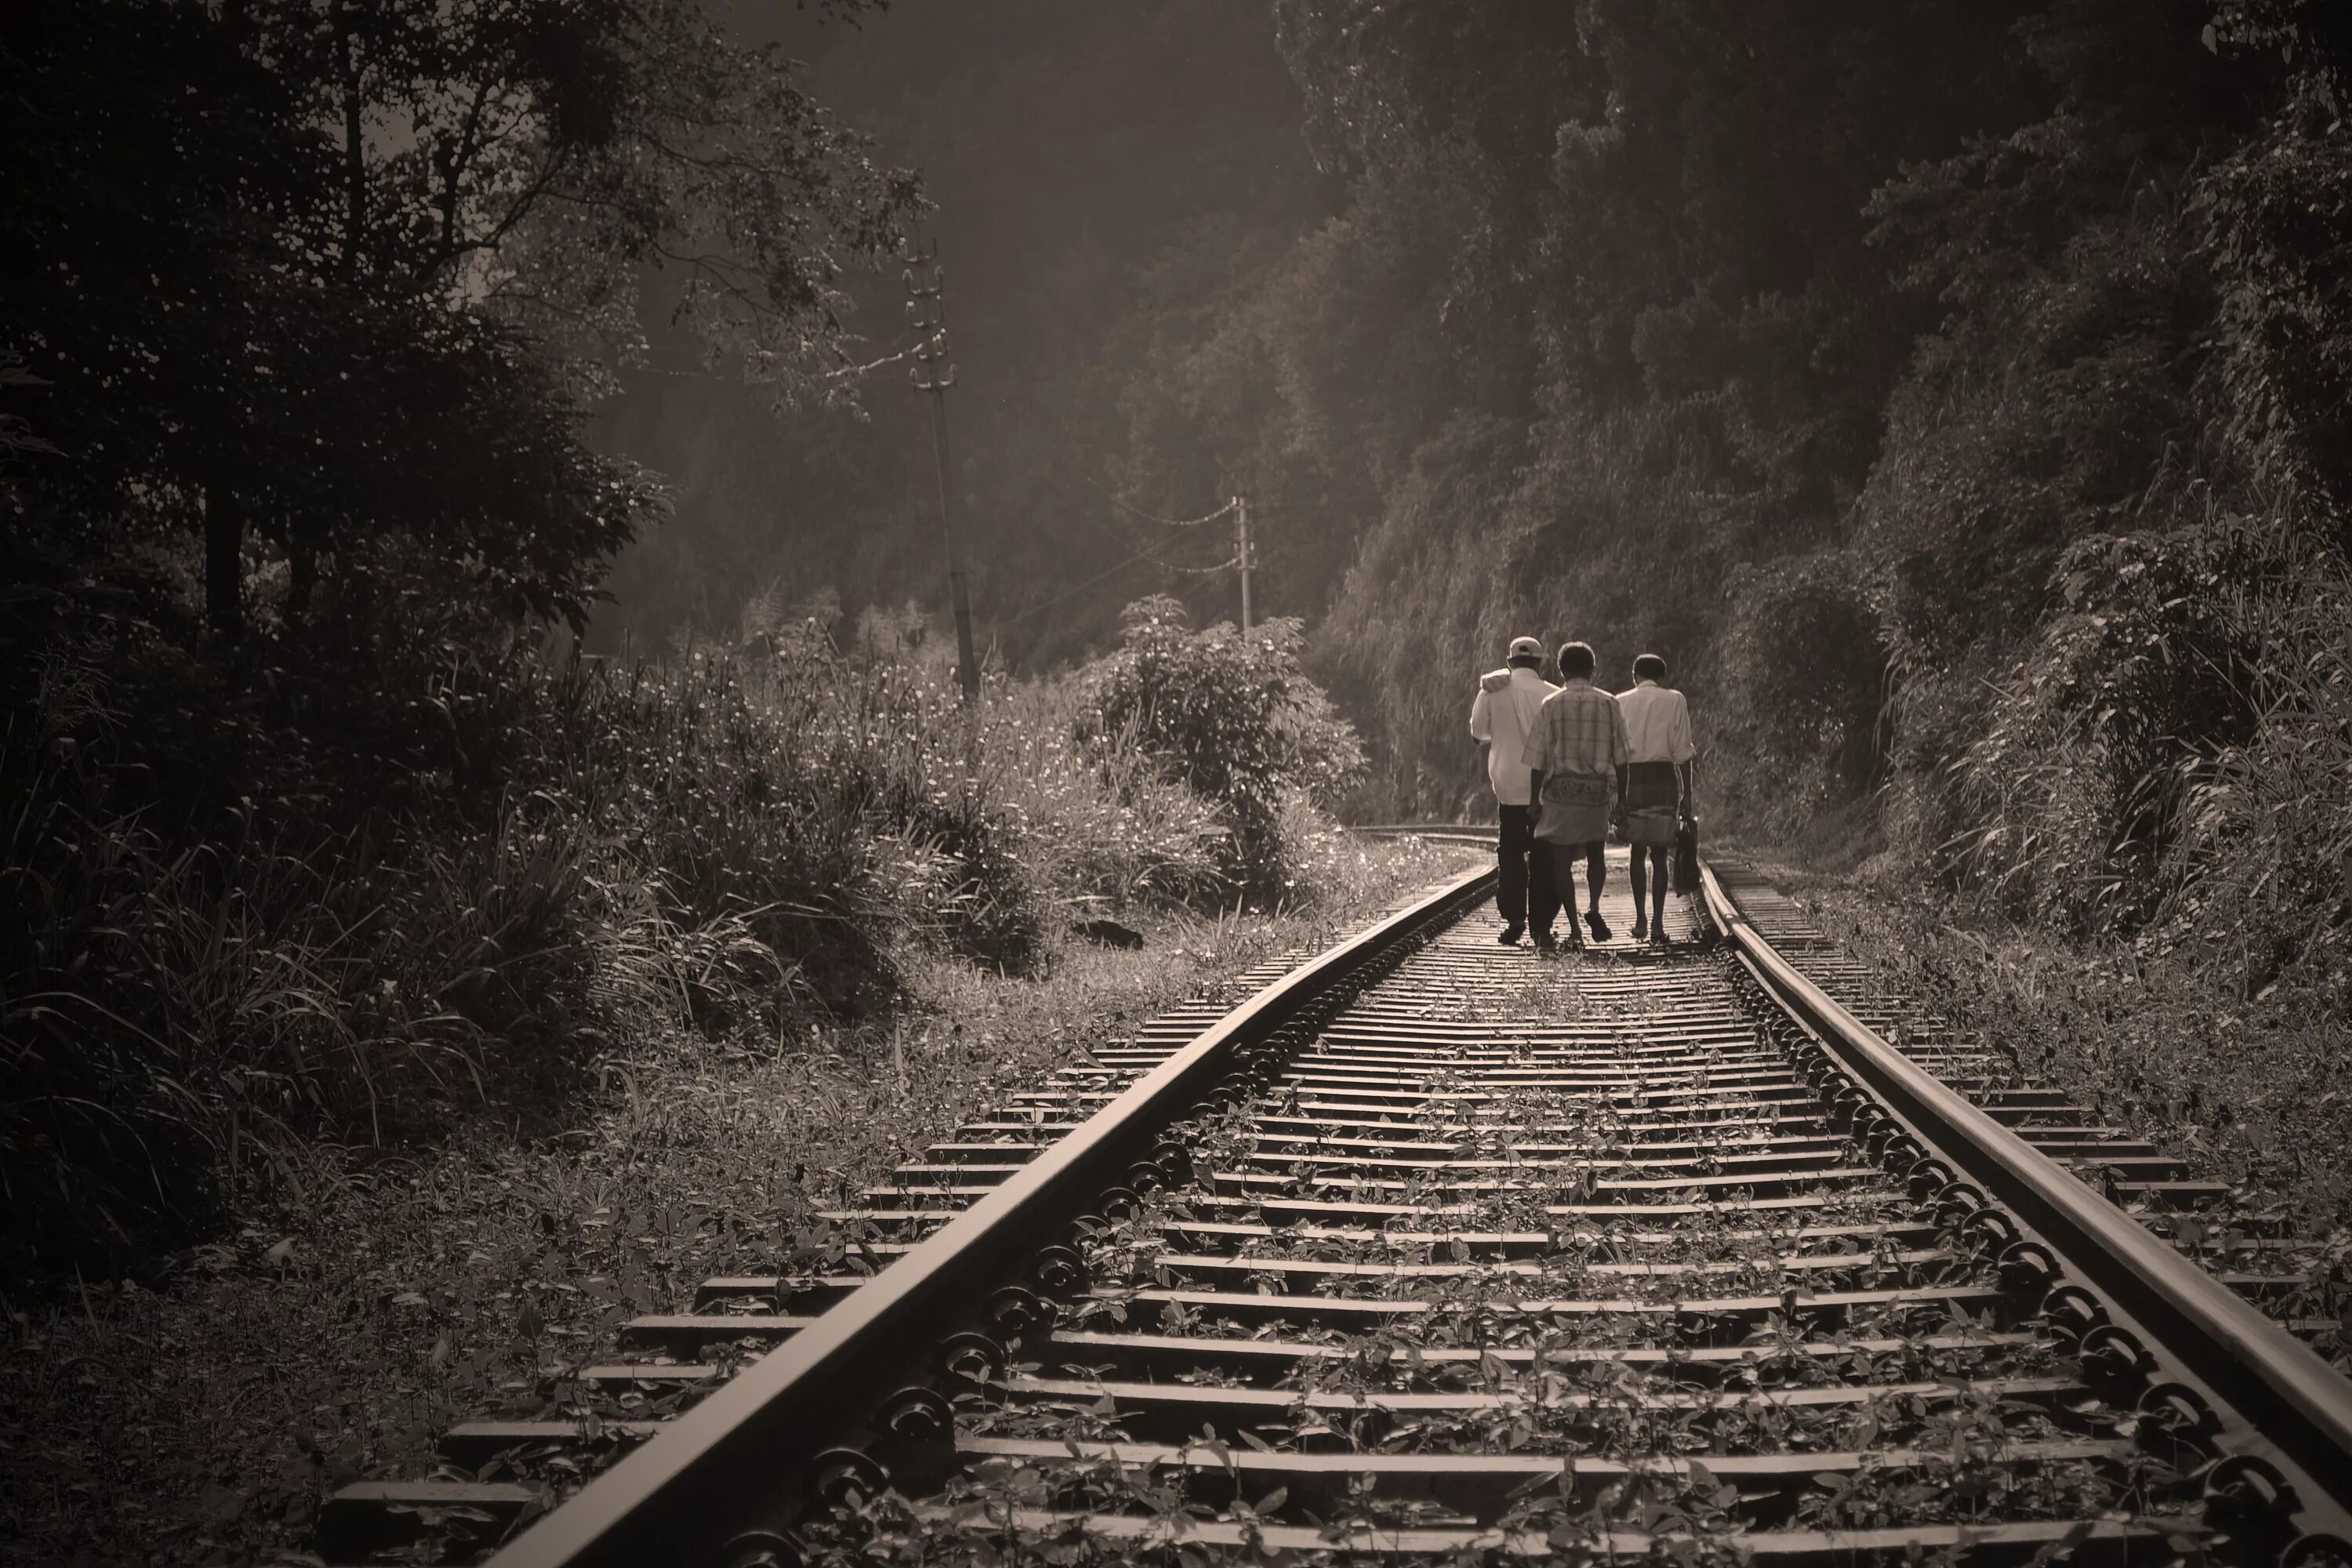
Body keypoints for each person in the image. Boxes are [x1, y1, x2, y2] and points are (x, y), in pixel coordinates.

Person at [1524, 641, 1629, 951]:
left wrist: (1533, 800)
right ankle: (1594, 906)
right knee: (1596, 853)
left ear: (1562, 670)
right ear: (1592, 669)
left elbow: (1537, 759)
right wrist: (1622, 799)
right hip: (1596, 793)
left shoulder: (1551, 704)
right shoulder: (1610, 703)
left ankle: (1574, 928)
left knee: (1561, 861)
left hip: (1560, 794)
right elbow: (1622, 757)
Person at [1468, 636, 1559, 945]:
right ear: (1539, 662)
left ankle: (1515, 919)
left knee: (1510, 854)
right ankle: (1542, 927)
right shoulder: (1554, 694)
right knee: (1545, 855)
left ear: (1509, 663)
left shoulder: (1491, 691)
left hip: (1507, 789)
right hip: (1546, 790)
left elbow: (1478, 732)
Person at [1615, 653, 1696, 946]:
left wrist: (1616, 793)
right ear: (1661, 677)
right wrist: (1687, 793)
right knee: (1660, 855)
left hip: (1632, 781)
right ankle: (1659, 924)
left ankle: (1639, 921)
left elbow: (1617, 752)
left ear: (1635, 676)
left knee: (1637, 852)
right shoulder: (1675, 699)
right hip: (1663, 780)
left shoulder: (1620, 701)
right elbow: (1683, 752)